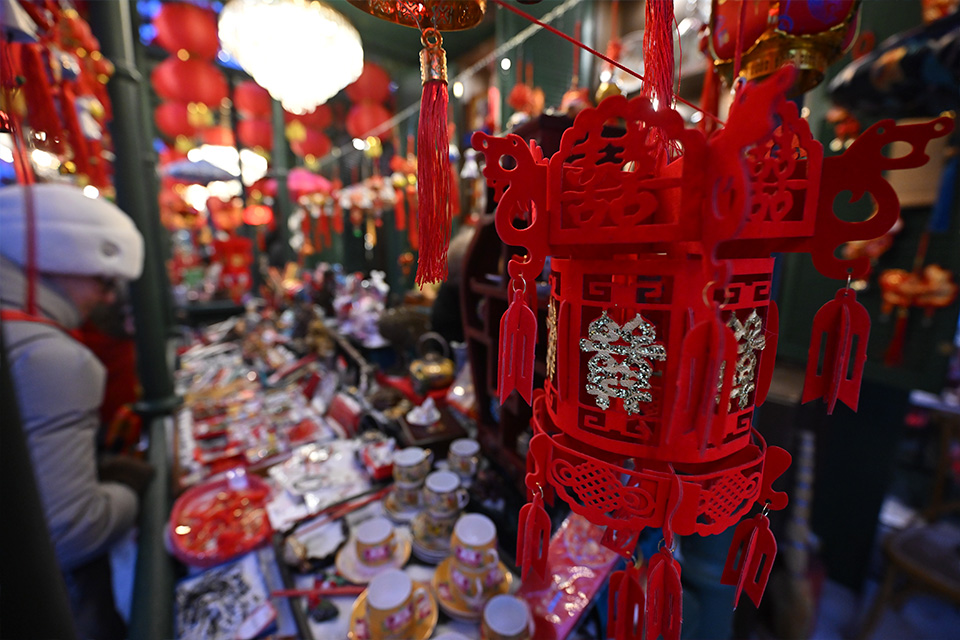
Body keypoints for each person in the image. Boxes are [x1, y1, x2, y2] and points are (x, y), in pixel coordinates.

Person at [0, 182, 153, 639]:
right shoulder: (52, 357)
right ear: (57, 260)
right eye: (104, 280)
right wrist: (130, 491)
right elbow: (71, 530)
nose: (107, 298)